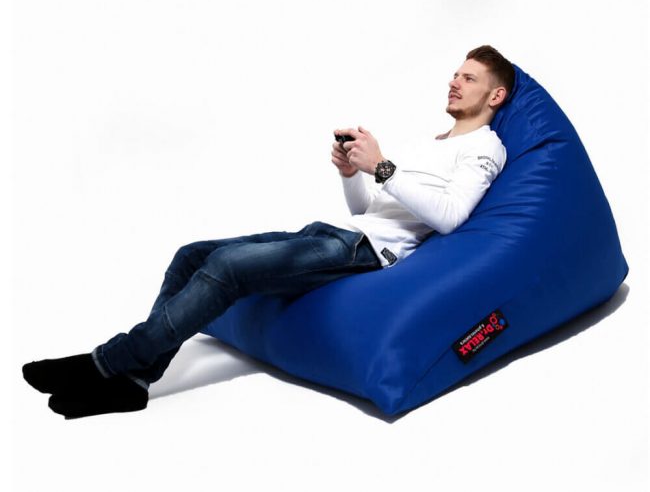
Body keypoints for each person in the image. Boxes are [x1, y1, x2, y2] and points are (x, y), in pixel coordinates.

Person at [22, 44, 515, 418]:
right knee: (191, 254)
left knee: (226, 267)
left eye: (468, 78)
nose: (454, 82)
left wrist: (382, 166)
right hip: (337, 233)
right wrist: (352, 174)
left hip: (366, 252)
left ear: (495, 95)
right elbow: (368, 209)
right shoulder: (429, 143)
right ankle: (135, 383)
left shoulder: (486, 147)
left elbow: (450, 216)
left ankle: (107, 362)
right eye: (455, 74)